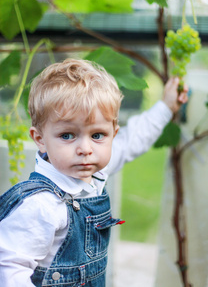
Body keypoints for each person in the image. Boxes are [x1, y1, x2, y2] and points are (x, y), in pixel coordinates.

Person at [0, 59, 188, 287]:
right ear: (40, 139)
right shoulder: (41, 205)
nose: (86, 149)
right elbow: (10, 267)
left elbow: (134, 139)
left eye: (97, 135)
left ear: (112, 134)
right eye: (68, 135)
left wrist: (166, 107)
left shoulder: (95, 172)